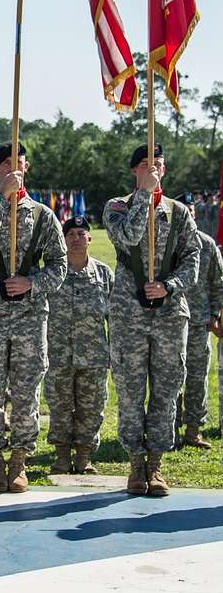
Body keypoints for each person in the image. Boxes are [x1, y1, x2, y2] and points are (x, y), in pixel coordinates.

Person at [0, 141, 67, 493]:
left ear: (28, 166)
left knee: (26, 392)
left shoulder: (42, 215)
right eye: (6, 164)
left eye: (18, 163)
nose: (13, 169)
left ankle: (20, 459)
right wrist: (1, 198)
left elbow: (60, 266)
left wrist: (31, 282)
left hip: (29, 317)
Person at [103, 144, 199, 496]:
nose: (154, 170)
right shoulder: (117, 206)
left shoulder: (179, 213)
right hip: (129, 313)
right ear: (134, 171)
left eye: (158, 165)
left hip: (170, 313)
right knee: (130, 389)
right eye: (147, 165)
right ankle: (134, 463)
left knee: (166, 389)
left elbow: (192, 259)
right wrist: (144, 194)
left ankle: (156, 463)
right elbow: (127, 235)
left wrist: (170, 285)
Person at [45, 216, 113, 475]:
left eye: (81, 233)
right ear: (64, 239)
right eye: (70, 233)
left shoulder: (104, 274)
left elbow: (114, 317)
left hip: (93, 355)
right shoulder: (52, 274)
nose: (75, 238)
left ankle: (84, 457)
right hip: (58, 354)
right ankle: (61, 457)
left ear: (89, 238)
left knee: (92, 407)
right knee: (59, 406)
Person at [175, 192, 223, 449]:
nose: (190, 217)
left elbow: (218, 284)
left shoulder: (207, 244)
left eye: (192, 212)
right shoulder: (167, 244)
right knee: (171, 378)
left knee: (197, 378)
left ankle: (193, 430)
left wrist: (215, 316)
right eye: (185, 212)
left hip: (198, 323)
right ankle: (170, 429)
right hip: (170, 323)